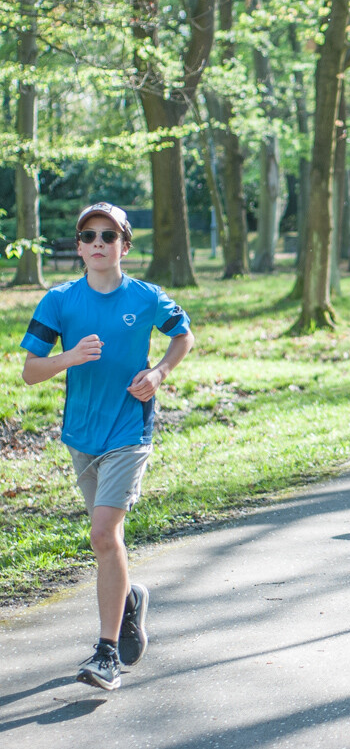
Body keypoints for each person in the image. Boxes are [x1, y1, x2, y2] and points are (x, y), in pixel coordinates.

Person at [20, 202, 195, 691]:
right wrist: (68, 357)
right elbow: (29, 371)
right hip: (81, 434)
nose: (98, 243)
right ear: (78, 246)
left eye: (108, 235)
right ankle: (131, 599)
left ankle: (107, 652)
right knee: (107, 541)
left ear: (125, 245)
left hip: (128, 430)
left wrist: (159, 372)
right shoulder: (59, 301)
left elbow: (184, 336)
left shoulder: (147, 297)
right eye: (89, 235)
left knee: (102, 534)